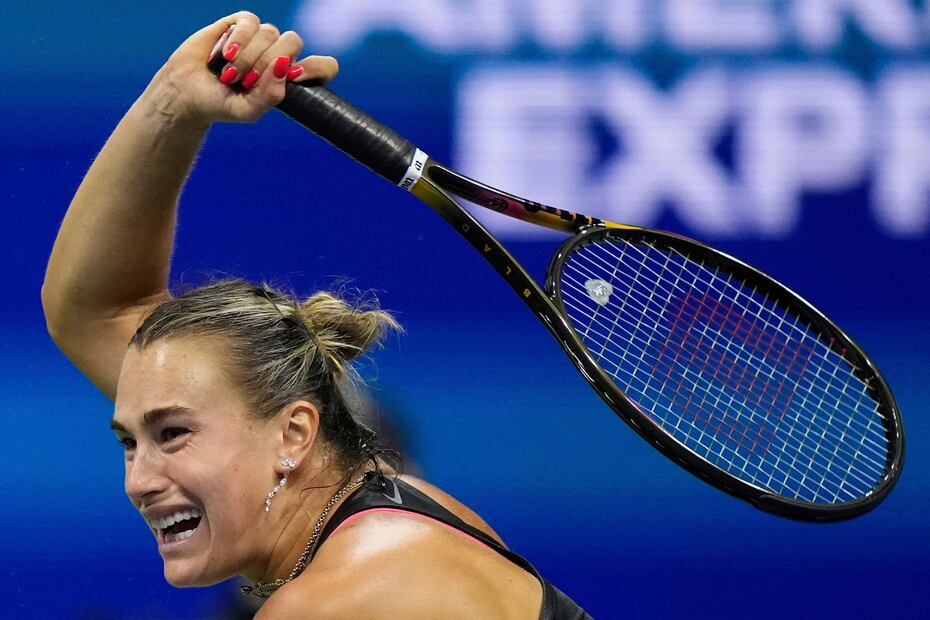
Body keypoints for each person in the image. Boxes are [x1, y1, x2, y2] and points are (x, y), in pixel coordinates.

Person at [42, 11, 592, 619]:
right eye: (130, 442)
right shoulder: (385, 511)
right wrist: (174, 99)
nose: (139, 481)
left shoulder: (339, 602)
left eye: (172, 435)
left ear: (295, 434)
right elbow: (97, 310)